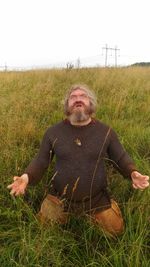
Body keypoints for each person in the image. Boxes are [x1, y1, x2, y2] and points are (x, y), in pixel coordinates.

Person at [7, 84, 149, 236]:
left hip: (96, 200)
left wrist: (132, 172)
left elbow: (120, 157)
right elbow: (41, 160)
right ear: (67, 105)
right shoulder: (53, 132)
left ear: (91, 104)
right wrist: (26, 177)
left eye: (83, 96)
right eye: (73, 97)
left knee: (115, 232)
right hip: (59, 200)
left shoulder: (106, 131)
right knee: (42, 232)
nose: (78, 99)